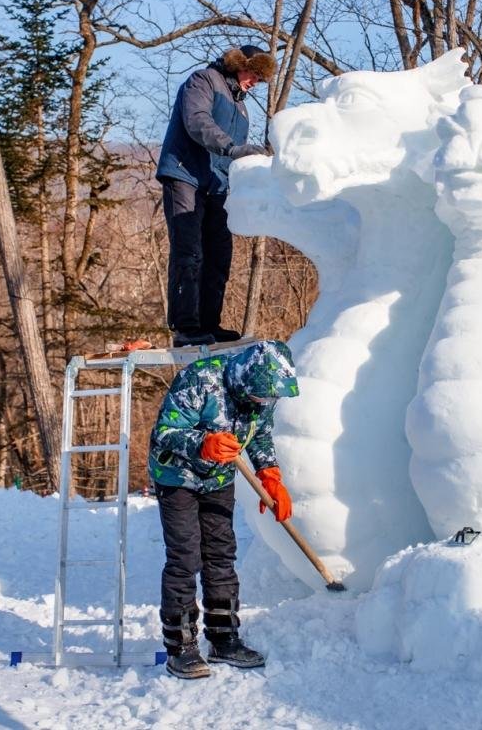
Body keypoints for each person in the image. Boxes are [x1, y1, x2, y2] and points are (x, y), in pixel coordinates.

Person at [148, 339, 300, 679]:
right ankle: (181, 648)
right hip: (177, 476)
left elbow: (259, 435)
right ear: (247, 381)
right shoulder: (200, 379)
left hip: (218, 480)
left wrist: (270, 475)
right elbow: (165, 432)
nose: (266, 402)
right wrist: (203, 443)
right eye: (262, 396)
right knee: (186, 557)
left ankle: (224, 638)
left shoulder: (262, 392)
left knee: (221, 555)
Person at [156, 45, 275, 347]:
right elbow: (197, 121)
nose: (255, 82)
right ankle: (186, 327)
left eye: (261, 79)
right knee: (189, 251)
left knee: (219, 255)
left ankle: (210, 324)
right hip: (185, 174)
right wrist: (233, 149)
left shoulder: (242, 109)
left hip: (217, 185)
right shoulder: (204, 80)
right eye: (254, 74)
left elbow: (236, 155)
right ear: (238, 65)